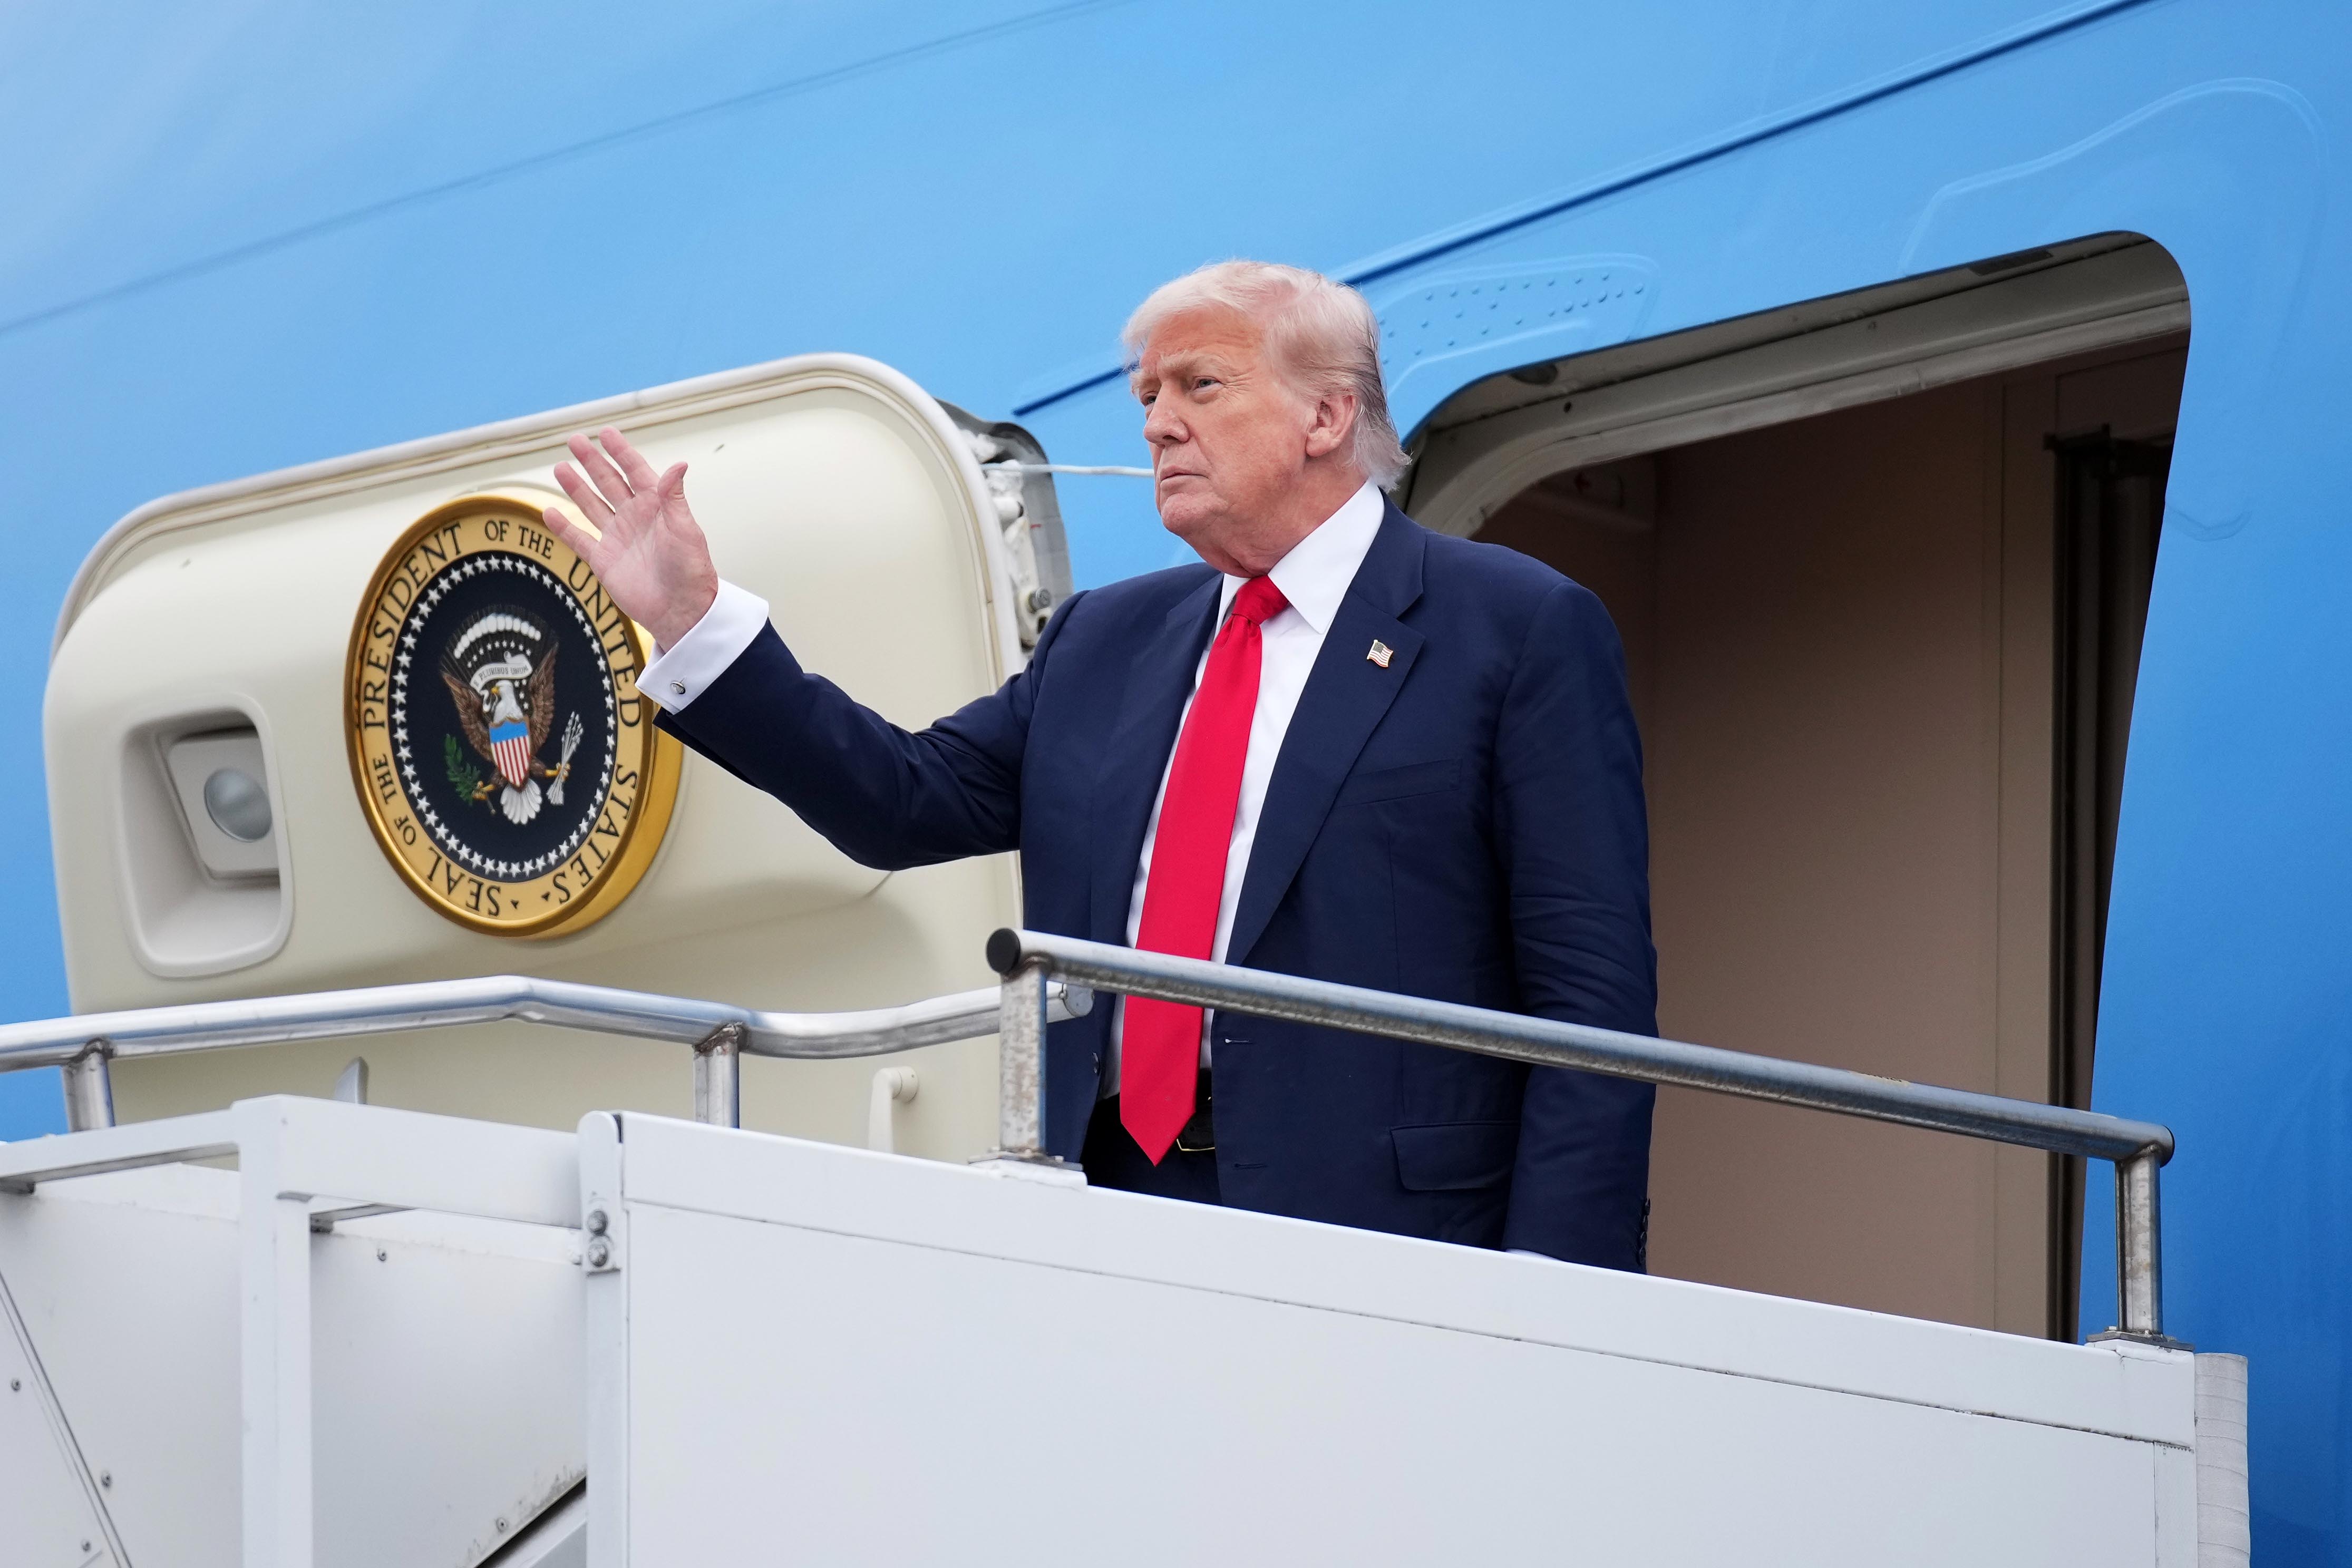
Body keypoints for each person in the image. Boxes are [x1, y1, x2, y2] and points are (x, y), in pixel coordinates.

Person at [543, 260, 1657, 1267]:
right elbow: (897, 802)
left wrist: (1564, 1298)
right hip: (1109, 1209)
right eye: (1147, 400)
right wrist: (696, 624)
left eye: (1197, 388)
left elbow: (1589, 1003)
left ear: (1327, 412)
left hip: (1390, 1233)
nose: (1159, 426)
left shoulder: (1511, 627)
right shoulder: (1102, 642)